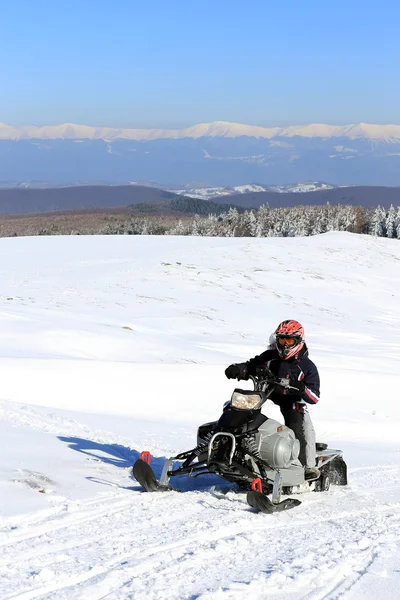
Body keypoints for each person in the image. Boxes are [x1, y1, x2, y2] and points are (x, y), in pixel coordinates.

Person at [225, 319, 320, 480]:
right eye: (281, 340)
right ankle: (230, 449)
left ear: (298, 341)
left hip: (292, 401)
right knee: (235, 409)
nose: (284, 345)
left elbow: (315, 397)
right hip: (266, 395)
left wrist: (300, 387)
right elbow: (251, 365)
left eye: (288, 341)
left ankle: (306, 466)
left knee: (300, 425)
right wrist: (239, 369)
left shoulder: (306, 366)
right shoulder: (269, 356)